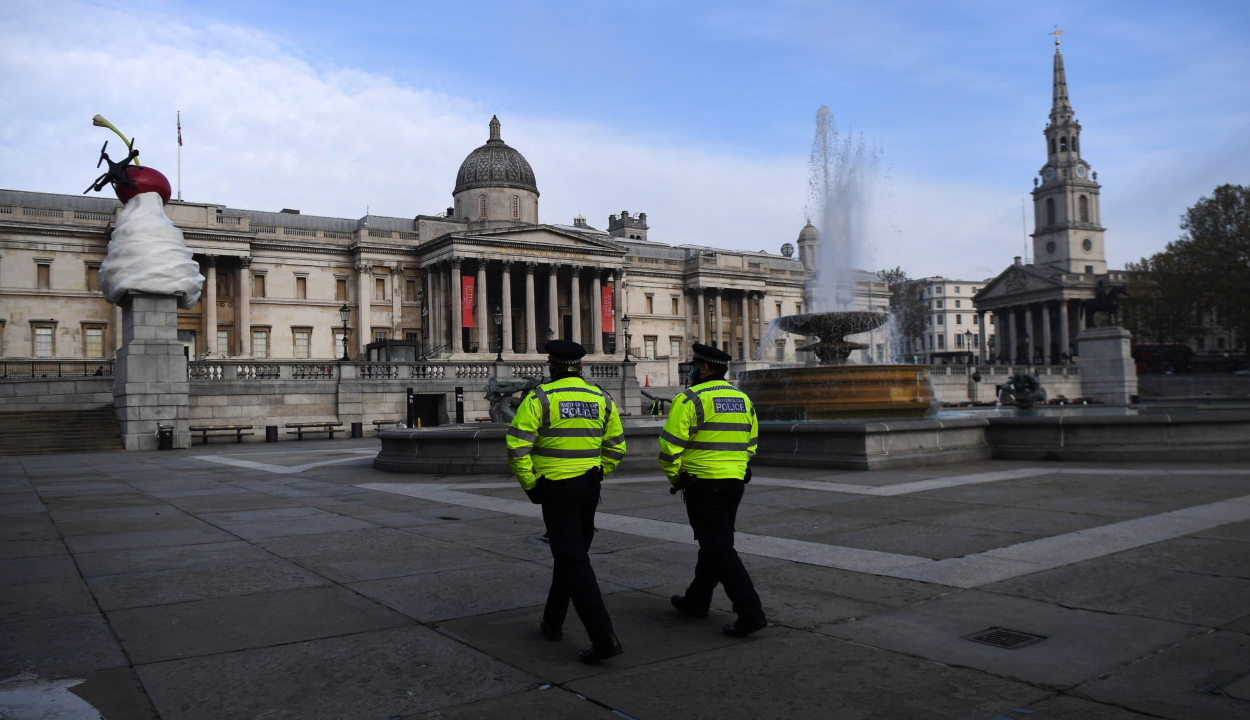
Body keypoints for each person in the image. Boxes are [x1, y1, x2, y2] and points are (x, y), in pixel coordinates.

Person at [506, 339, 627, 663]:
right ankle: (552, 622)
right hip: (589, 488)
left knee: (574, 561)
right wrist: (599, 472)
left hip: (556, 489)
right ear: (582, 367)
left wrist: (531, 487)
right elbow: (616, 446)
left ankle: (604, 637)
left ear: (552, 366)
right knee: (570, 555)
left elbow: (517, 448)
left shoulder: (540, 397)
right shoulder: (601, 398)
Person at [659, 343, 767, 637]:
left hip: (703, 483)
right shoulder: (742, 398)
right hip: (734, 482)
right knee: (714, 543)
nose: (691, 370)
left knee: (719, 547)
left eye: (694, 366)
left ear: (704, 369)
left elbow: (669, 447)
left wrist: (676, 477)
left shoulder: (690, 398)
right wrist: (738, 466)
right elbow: (752, 441)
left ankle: (750, 612)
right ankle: (696, 600)